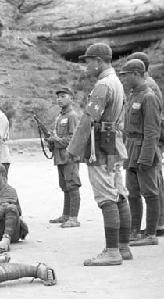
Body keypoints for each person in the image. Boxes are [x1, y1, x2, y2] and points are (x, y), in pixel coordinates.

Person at [67, 43, 132, 266]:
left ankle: (112, 251)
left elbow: (88, 119)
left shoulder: (102, 86)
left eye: (88, 61)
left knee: (106, 197)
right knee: (119, 193)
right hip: (113, 143)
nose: (86, 65)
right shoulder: (118, 83)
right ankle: (123, 247)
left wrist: (74, 149)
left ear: (99, 61)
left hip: (100, 147)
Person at [119, 59, 161, 247]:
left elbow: (152, 131)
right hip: (131, 149)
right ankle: (135, 231)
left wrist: (146, 157)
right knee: (133, 193)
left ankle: (150, 233)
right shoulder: (133, 95)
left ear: (136, 73)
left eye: (126, 75)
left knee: (150, 193)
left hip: (144, 150)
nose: (124, 79)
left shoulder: (148, 97)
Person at [47, 87, 82, 228]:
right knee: (65, 187)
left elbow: (74, 138)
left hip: (69, 156)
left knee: (72, 186)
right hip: (60, 156)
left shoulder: (72, 116)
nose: (59, 99)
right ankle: (66, 215)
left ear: (71, 98)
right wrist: (50, 141)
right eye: (58, 97)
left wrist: (56, 139)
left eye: (63, 96)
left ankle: (74, 218)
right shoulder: (59, 117)